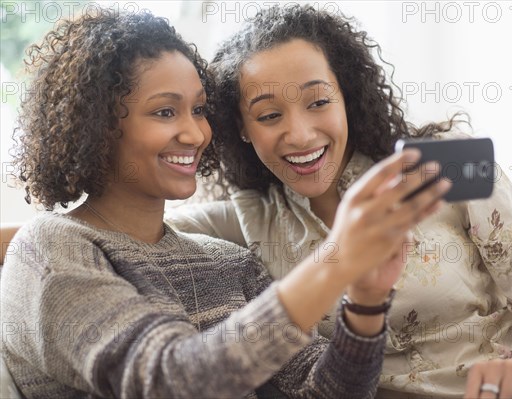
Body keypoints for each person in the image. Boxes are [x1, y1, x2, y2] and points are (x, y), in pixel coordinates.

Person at [0, 8, 451, 398]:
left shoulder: (228, 263)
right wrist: (336, 260)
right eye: (164, 112)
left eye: (199, 110)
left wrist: (366, 301)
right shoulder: (51, 251)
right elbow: (172, 380)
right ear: (95, 128)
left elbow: (326, 391)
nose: (195, 135)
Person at [164, 4, 512, 399]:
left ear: (346, 100)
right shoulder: (251, 217)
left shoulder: (442, 166)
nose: (299, 134)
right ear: (241, 128)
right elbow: (130, 226)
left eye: (319, 102)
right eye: (269, 115)